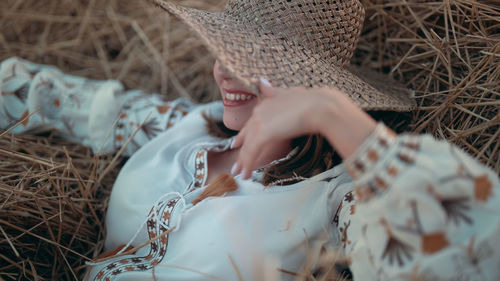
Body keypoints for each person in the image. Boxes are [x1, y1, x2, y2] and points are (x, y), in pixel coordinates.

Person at [1, 0, 499, 280]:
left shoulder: (337, 201)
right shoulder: (189, 125)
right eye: (227, 52)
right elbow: (55, 97)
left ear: (317, 87)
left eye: (259, 66)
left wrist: (334, 116)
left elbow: (472, 247)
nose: (227, 74)